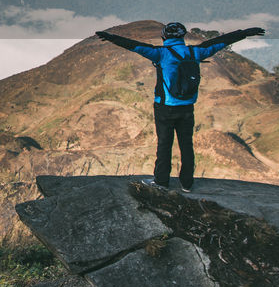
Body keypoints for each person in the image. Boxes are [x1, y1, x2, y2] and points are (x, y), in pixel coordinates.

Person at [95, 22, 265, 190]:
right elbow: (221, 42)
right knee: (186, 145)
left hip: (165, 108)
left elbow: (134, 46)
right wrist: (245, 32)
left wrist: (110, 38)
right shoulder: (196, 52)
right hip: (187, 108)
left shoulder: (160, 53)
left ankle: (161, 181)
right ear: (183, 36)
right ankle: (187, 183)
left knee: (164, 145)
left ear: (164, 37)